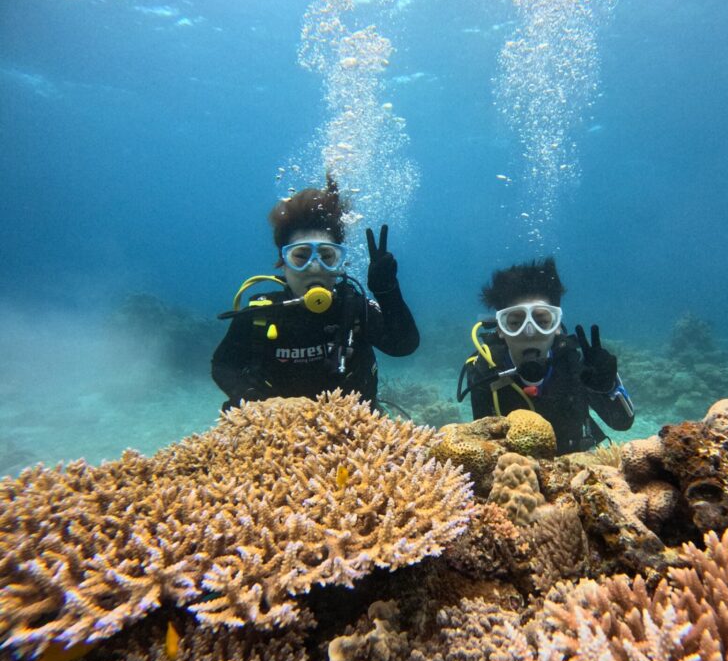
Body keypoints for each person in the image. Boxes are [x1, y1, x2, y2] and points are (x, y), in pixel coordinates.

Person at [212, 176, 419, 410]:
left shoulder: (354, 308)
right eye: (300, 256)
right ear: (283, 262)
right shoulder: (261, 314)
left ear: (339, 263)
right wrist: (250, 397)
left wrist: (387, 291)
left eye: (327, 256)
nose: (314, 267)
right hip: (276, 428)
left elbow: (403, 345)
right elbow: (222, 364)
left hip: (357, 427)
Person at [458, 257, 633, 454]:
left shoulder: (573, 364)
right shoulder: (486, 371)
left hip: (576, 466)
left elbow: (622, 423)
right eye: (515, 323)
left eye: (542, 321)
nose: (529, 332)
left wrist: (608, 388)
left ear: (557, 325)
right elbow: (485, 446)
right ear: (500, 329)